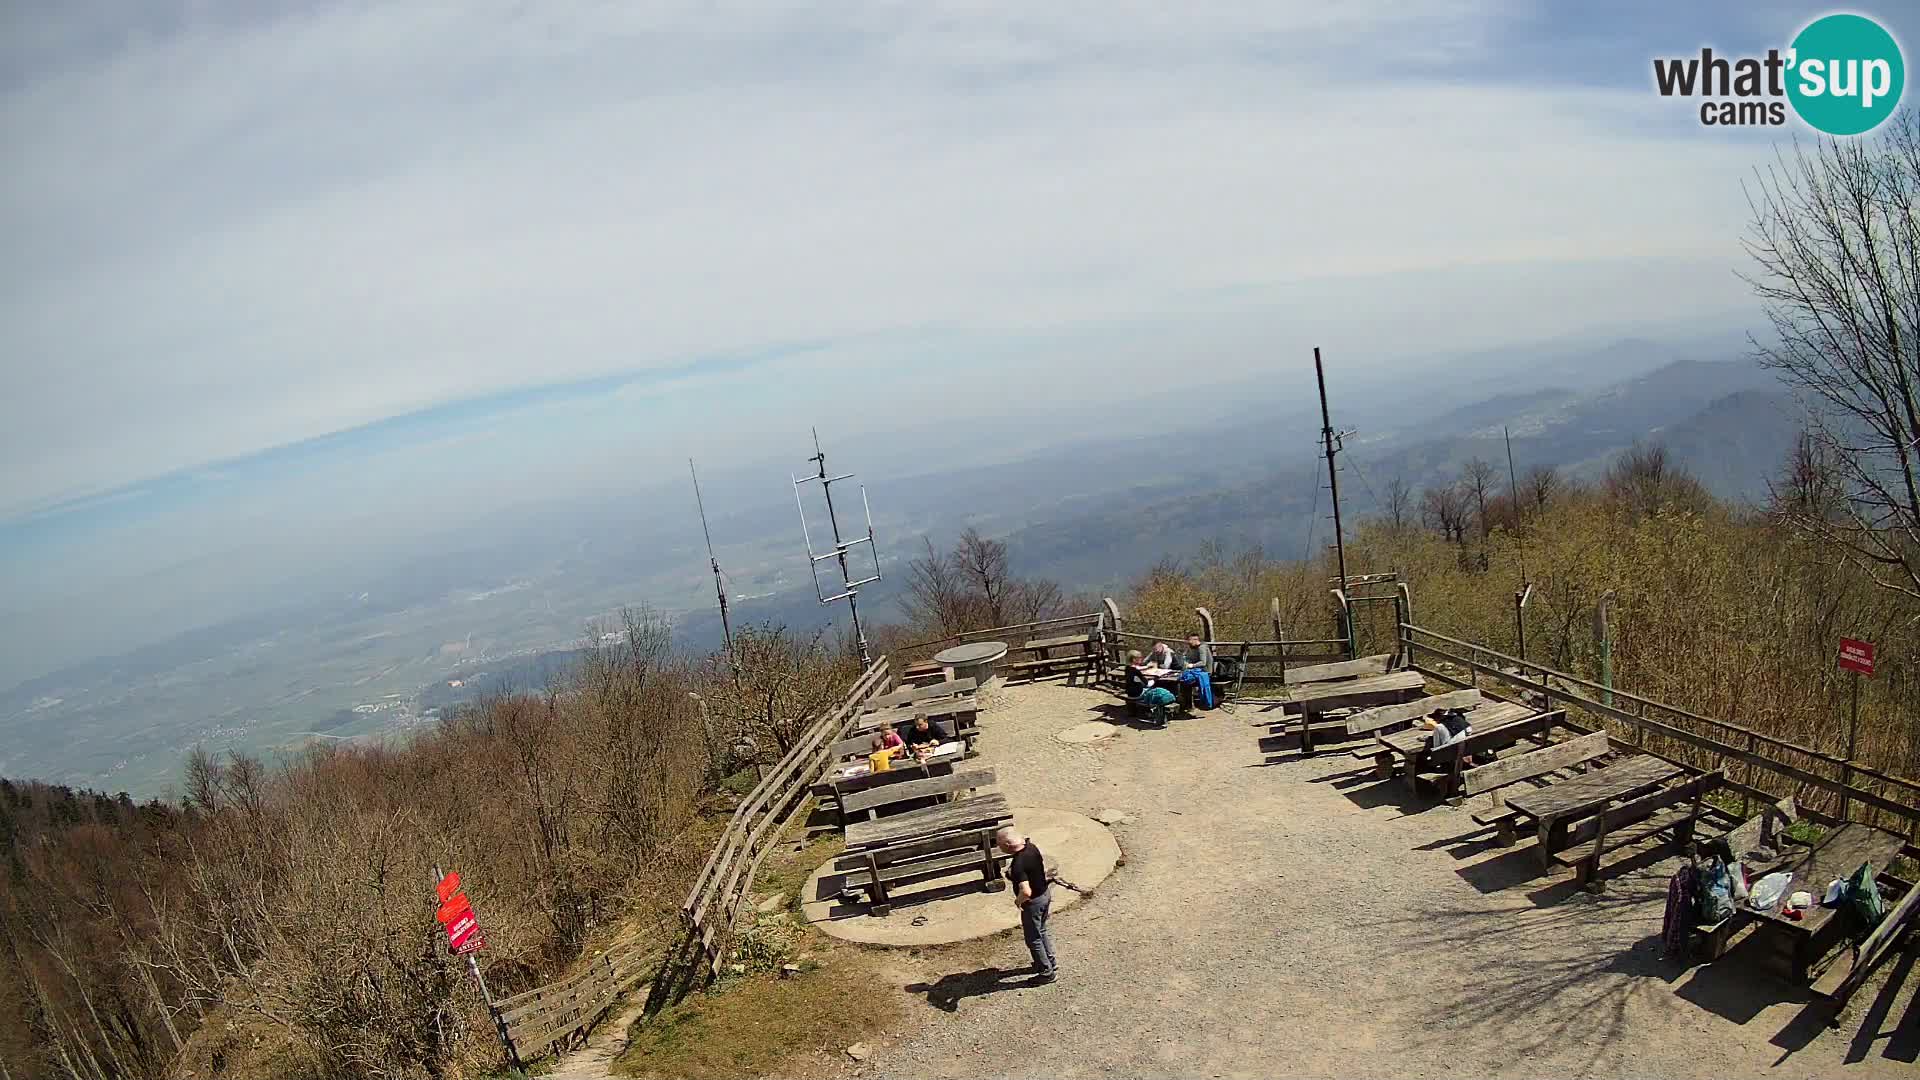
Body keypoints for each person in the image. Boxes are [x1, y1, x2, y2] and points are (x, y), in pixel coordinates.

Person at [996, 826, 1056, 982]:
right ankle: (1050, 961)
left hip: (1033, 903)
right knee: (1041, 930)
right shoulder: (1031, 847)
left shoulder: (1018, 864)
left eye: (999, 844)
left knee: (1033, 938)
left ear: (1008, 846)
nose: (998, 847)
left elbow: (1026, 891)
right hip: (1045, 894)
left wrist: (1018, 900)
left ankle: (1046, 973)